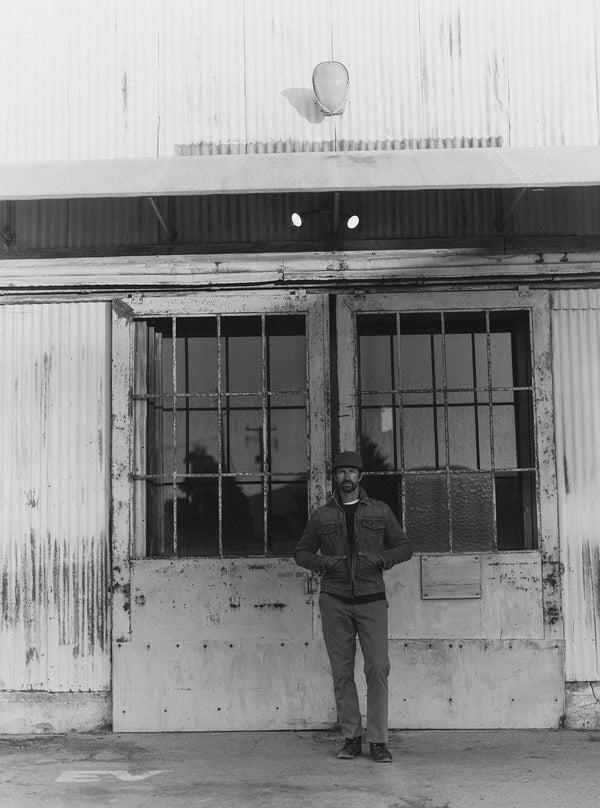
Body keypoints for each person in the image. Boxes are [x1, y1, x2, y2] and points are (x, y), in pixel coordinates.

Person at [294, 451, 412, 763]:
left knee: (377, 667)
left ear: (360, 477)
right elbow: (301, 552)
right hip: (334, 600)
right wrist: (324, 563)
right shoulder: (322, 516)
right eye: (341, 472)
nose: (347, 477)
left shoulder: (381, 511)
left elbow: (405, 547)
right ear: (334, 477)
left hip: (372, 599)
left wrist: (381, 559)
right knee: (342, 671)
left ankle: (378, 740)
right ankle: (351, 737)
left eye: (352, 472)